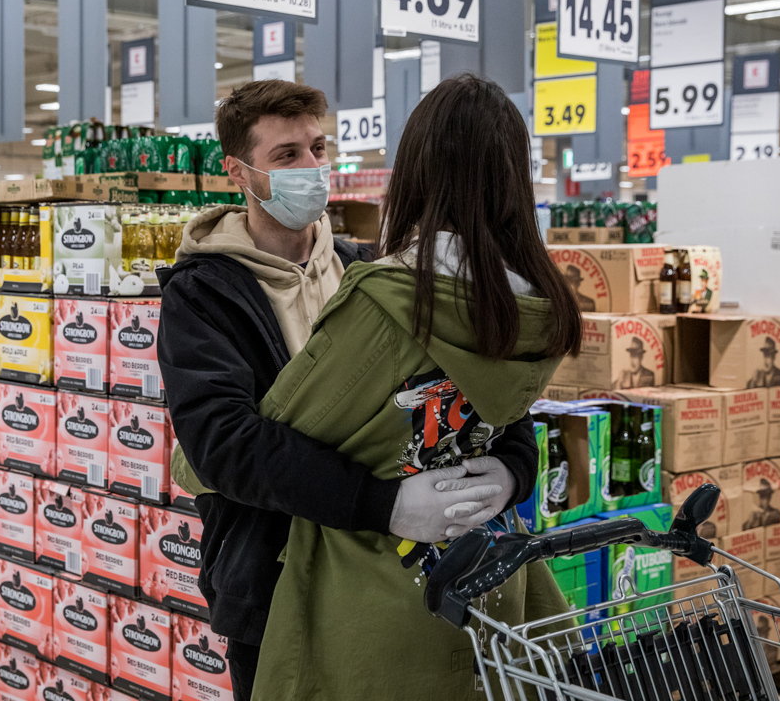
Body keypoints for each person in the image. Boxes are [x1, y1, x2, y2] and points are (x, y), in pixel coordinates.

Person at [157, 79, 533, 700]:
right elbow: (223, 445)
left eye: (318, 148)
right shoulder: (201, 296)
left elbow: (481, 394)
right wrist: (384, 504)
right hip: (272, 582)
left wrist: (515, 468)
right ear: (239, 172)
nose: (312, 168)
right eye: (286, 156)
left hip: (396, 582)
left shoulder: (374, 273)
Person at [239, 74, 583, 700]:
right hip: (489, 578)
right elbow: (505, 419)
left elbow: (278, 431)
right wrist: (509, 473)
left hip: (372, 602)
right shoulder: (536, 305)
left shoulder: (388, 298)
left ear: (418, 172)